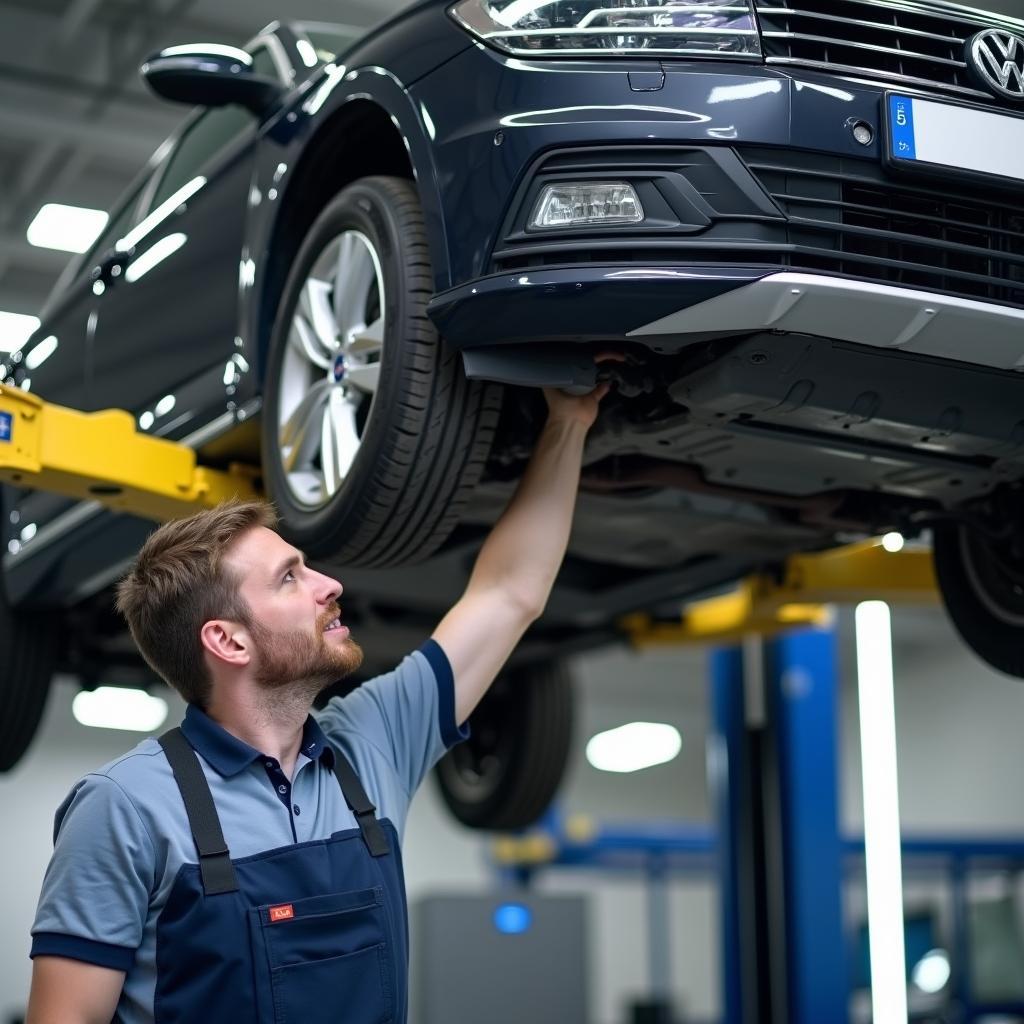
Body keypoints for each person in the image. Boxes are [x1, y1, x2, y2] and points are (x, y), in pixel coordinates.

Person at [24, 385, 605, 1024]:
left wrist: (569, 420)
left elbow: (509, 594)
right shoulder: (126, 806)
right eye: (290, 578)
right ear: (227, 640)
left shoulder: (373, 740)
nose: (331, 586)